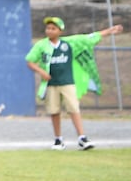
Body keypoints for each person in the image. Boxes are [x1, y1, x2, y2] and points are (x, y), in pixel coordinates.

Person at [25, 17, 123, 151]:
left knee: (73, 108)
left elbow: (89, 38)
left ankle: (82, 138)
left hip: (67, 82)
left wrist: (110, 31)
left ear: (60, 30)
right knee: (54, 111)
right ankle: (58, 139)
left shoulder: (69, 43)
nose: (49, 31)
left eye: (53, 28)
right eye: (48, 28)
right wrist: (41, 72)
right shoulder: (42, 45)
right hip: (51, 84)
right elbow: (30, 60)